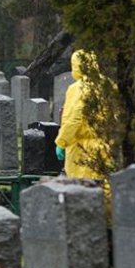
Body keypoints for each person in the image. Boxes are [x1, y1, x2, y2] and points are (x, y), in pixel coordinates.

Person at [55, 50, 111, 179]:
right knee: (103, 187)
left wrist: (62, 142)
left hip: (82, 148)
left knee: (81, 189)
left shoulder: (77, 89)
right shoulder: (107, 85)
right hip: (105, 145)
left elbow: (73, 119)